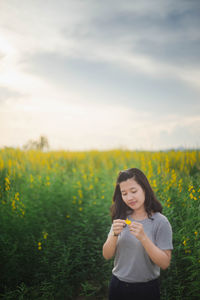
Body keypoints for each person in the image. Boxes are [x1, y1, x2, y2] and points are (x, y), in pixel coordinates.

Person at [102, 168, 173, 300]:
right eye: (124, 193)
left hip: (146, 290)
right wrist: (114, 235)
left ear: (144, 189)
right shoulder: (122, 217)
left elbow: (165, 263)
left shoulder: (160, 222)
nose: (129, 198)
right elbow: (107, 255)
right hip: (118, 286)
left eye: (134, 191)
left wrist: (143, 238)